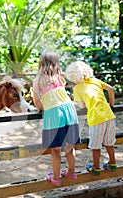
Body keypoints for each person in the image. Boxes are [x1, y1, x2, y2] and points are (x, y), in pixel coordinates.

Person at [33, 50, 81, 186]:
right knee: (69, 146)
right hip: (69, 110)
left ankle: (56, 177)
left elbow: (37, 100)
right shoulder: (59, 77)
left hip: (54, 113)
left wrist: (42, 107)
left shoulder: (38, 79)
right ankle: (71, 172)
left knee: (55, 149)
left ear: (41, 62)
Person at [65, 61, 117, 176]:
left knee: (95, 146)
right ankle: (112, 163)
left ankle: (96, 168)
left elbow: (81, 105)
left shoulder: (77, 88)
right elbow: (111, 89)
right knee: (109, 143)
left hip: (96, 118)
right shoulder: (95, 81)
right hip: (109, 116)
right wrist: (111, 105)